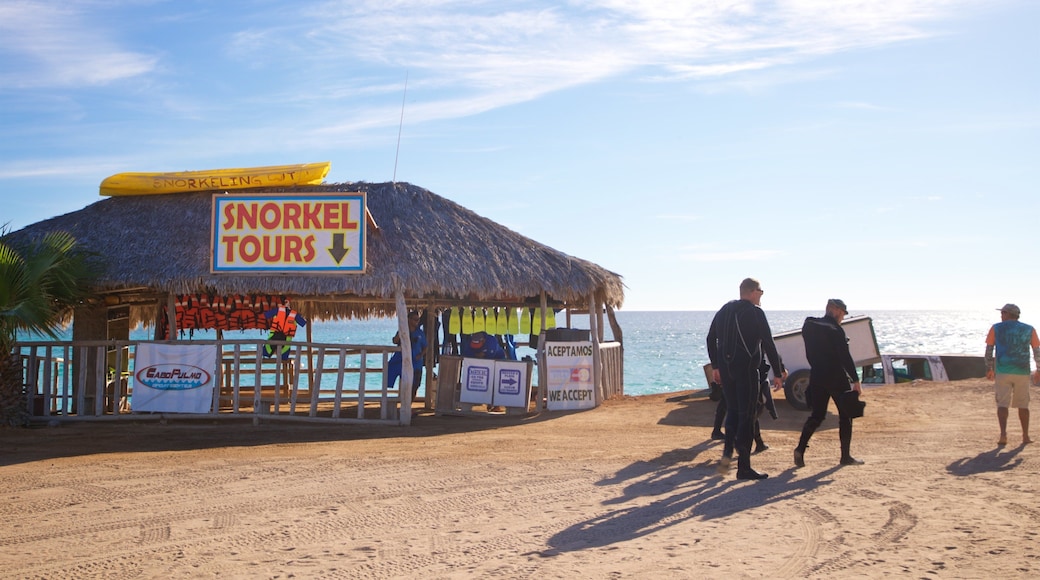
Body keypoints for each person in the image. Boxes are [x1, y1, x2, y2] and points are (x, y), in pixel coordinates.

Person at [706, 277, 785, 480]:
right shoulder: (755, 312)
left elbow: (710, 338)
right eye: (760, 291)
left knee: (732, 412)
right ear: (752, 292)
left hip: (727, 370)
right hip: (746, 371)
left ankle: (725, 460)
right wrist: (777, 372)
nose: (761, 296)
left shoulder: (725, 309)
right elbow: (768, 343)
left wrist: (716, 366)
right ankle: (744, 467)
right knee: (747, 416)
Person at [794, 298, 863, 467]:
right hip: (836, 378)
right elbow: (845, 357)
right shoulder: (835, 330)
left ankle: (800, 449)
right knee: (846, 416)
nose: (843, 317)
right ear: (835, 310)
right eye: (842, 313)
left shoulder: (809, 325)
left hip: (816, 376)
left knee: (817, 416)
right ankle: (845, 457)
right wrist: (855, 380)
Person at [984, 303, 1040, 446]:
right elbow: (1037, 351)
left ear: (1008, 314)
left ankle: (1003, 435)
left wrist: (989, 368)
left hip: (1003, 371)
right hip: (1022, 371)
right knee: (1023, 405)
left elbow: (989, 350)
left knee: (1002, 404)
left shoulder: (996, 328)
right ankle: (1025, 436)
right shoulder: (1029, 329)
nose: (1001, 315)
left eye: (1003, 313)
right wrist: (1038, 369)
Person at [387, 310, 428, 399]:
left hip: (416, 364)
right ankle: (403, 403)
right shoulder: (402, 330)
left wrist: (420, 355)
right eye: (415, 319)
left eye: (418, 320)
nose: (417, 322)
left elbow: (425, 347)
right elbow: (395, 341)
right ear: (409, 320)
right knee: (405, 383)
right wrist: (401, 333)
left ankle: (409, 406)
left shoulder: (420, 332)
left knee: (415, 385)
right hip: (403, 361)